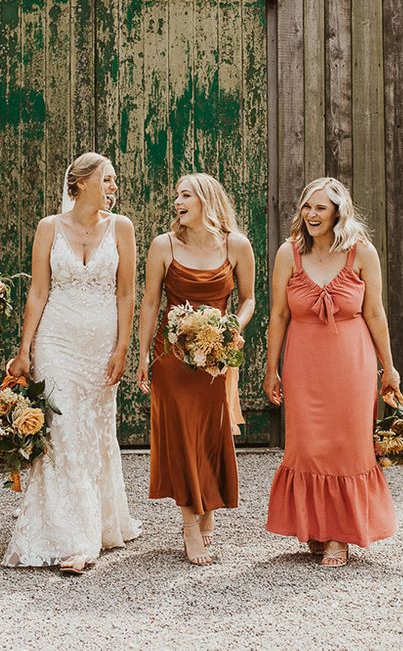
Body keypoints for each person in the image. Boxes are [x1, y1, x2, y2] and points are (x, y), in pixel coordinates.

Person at [3, 152, 141, 574]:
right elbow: (38, 293)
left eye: (115, 180)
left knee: (94, 429)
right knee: (62, 430)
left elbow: (126, 294)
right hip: (56, 342)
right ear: (80, 183)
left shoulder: (122, 229)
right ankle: (74, 539)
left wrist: (122, 348)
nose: (113, 188)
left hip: (100, 346)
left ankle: (99, 519)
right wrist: (24, 349)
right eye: (107, 179)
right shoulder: (49, 228)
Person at [264, 177, 398, 567]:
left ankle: (341, 535)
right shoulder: (288, 254)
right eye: (307, 207)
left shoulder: (362, 253)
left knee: (347, 444)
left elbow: (374, 312)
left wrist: (388, 367)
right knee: (307, 445)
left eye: (320, 207)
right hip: (304, 364)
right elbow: (279, 314)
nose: (310, 214)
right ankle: (316, 528)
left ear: (338, 211)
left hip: (352, 364)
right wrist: (271, 369)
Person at [136, 173, 255, 565]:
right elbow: (151, 303)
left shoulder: (236, 245)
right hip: (171, 357)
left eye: (185, 195)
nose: (177, 202)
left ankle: (207, 510)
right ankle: (189, 523)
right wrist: (142, 358)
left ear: (206, 199)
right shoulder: (163, 245)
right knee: (181, 435)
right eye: (176, 196)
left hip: (215, 360)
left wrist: (231, 328)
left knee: (208, 433)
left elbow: (249, 299)